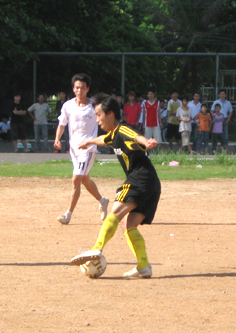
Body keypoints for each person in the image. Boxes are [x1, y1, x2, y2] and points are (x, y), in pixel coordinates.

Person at [70, 94, 161, 279]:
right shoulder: (113, 135)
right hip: (152, 183)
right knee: (129, 225)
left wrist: (147, 142)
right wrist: (89, 141)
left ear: (110, 113)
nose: (97, 119)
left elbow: (136, 136)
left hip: (140, 178)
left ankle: (97, 248)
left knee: (115, 213)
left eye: (99, 115)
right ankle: (143, 266)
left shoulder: (123, 129)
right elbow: (104, 139)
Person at [54, 74, 109, 225]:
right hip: (74, 149)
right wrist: (57, 138)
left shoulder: (94, 106)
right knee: (84, 179)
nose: (80, 90)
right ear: (73, 89)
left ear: (88, 89)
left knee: (76, 179)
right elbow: (62, 124)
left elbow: (105, 121)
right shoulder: (68, 105)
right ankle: (102, 200)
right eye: (77, 87)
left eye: (83, 88)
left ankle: (68, 214)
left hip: (88, 149)